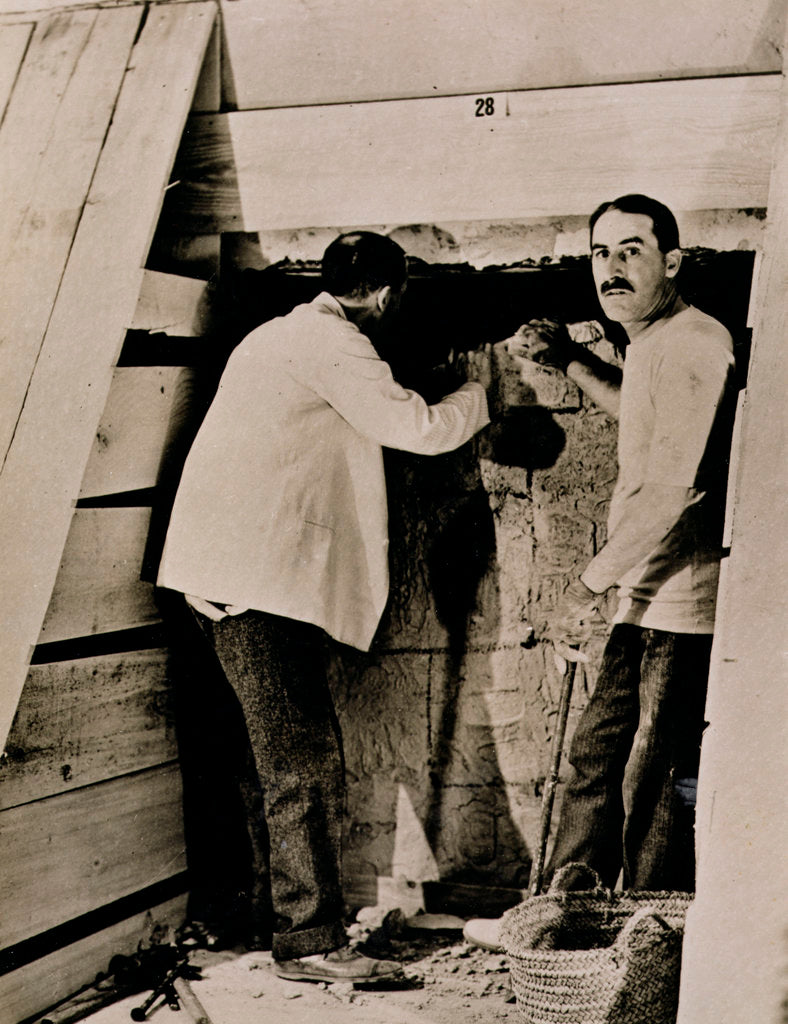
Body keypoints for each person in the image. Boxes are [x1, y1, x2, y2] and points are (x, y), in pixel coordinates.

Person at [158, 231, 490, 982]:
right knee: (303, 764)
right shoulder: (332, 344)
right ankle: (309, 944)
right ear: (385, 294)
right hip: (253, 586)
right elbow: (417, 428)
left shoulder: (277, 337)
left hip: (233, 579)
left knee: (270, 765)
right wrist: (477, 392)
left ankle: (282, 923)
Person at [464, 194, 736, 950]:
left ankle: (648, 940)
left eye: (632, 252)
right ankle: (560, 920)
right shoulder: (653, 342)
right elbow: (638, 413)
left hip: (682, 602)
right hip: (637, 597)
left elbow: (677, 482)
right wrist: (573, 361)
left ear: (672, 262)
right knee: (592, 758)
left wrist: (587, 585)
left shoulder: (694, 342)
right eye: (600, 253)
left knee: (652, 779)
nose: (612, 270)